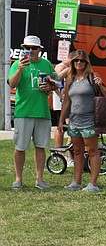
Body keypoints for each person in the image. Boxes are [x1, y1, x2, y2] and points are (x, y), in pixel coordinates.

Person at [9, 35, 57, 190]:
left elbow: (56, 84)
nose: (30, 51)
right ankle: (18, 179)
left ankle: (40, 179)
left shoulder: (47, 64)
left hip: (42, 112)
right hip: (23, 111)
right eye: (27, 48)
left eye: (34, 48)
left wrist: (50, 87)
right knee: (20, 147)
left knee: (40, 147)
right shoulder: (17, 64)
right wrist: (21, 69)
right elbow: (12, 84)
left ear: (39, 50)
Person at [58, 50, 106, 192]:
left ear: (86, 63)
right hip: (74, 120)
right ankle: (77, 182)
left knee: (92, 150)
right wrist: (61, 121)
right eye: (76, 60)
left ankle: (93, 183)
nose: (79, 63)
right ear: (72, 62)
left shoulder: (92, 77)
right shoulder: (71, 78)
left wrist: (100, 85)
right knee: (77, 151)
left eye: (82, 61)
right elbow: (67, 101)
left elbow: (105, 95)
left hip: (90, 120)